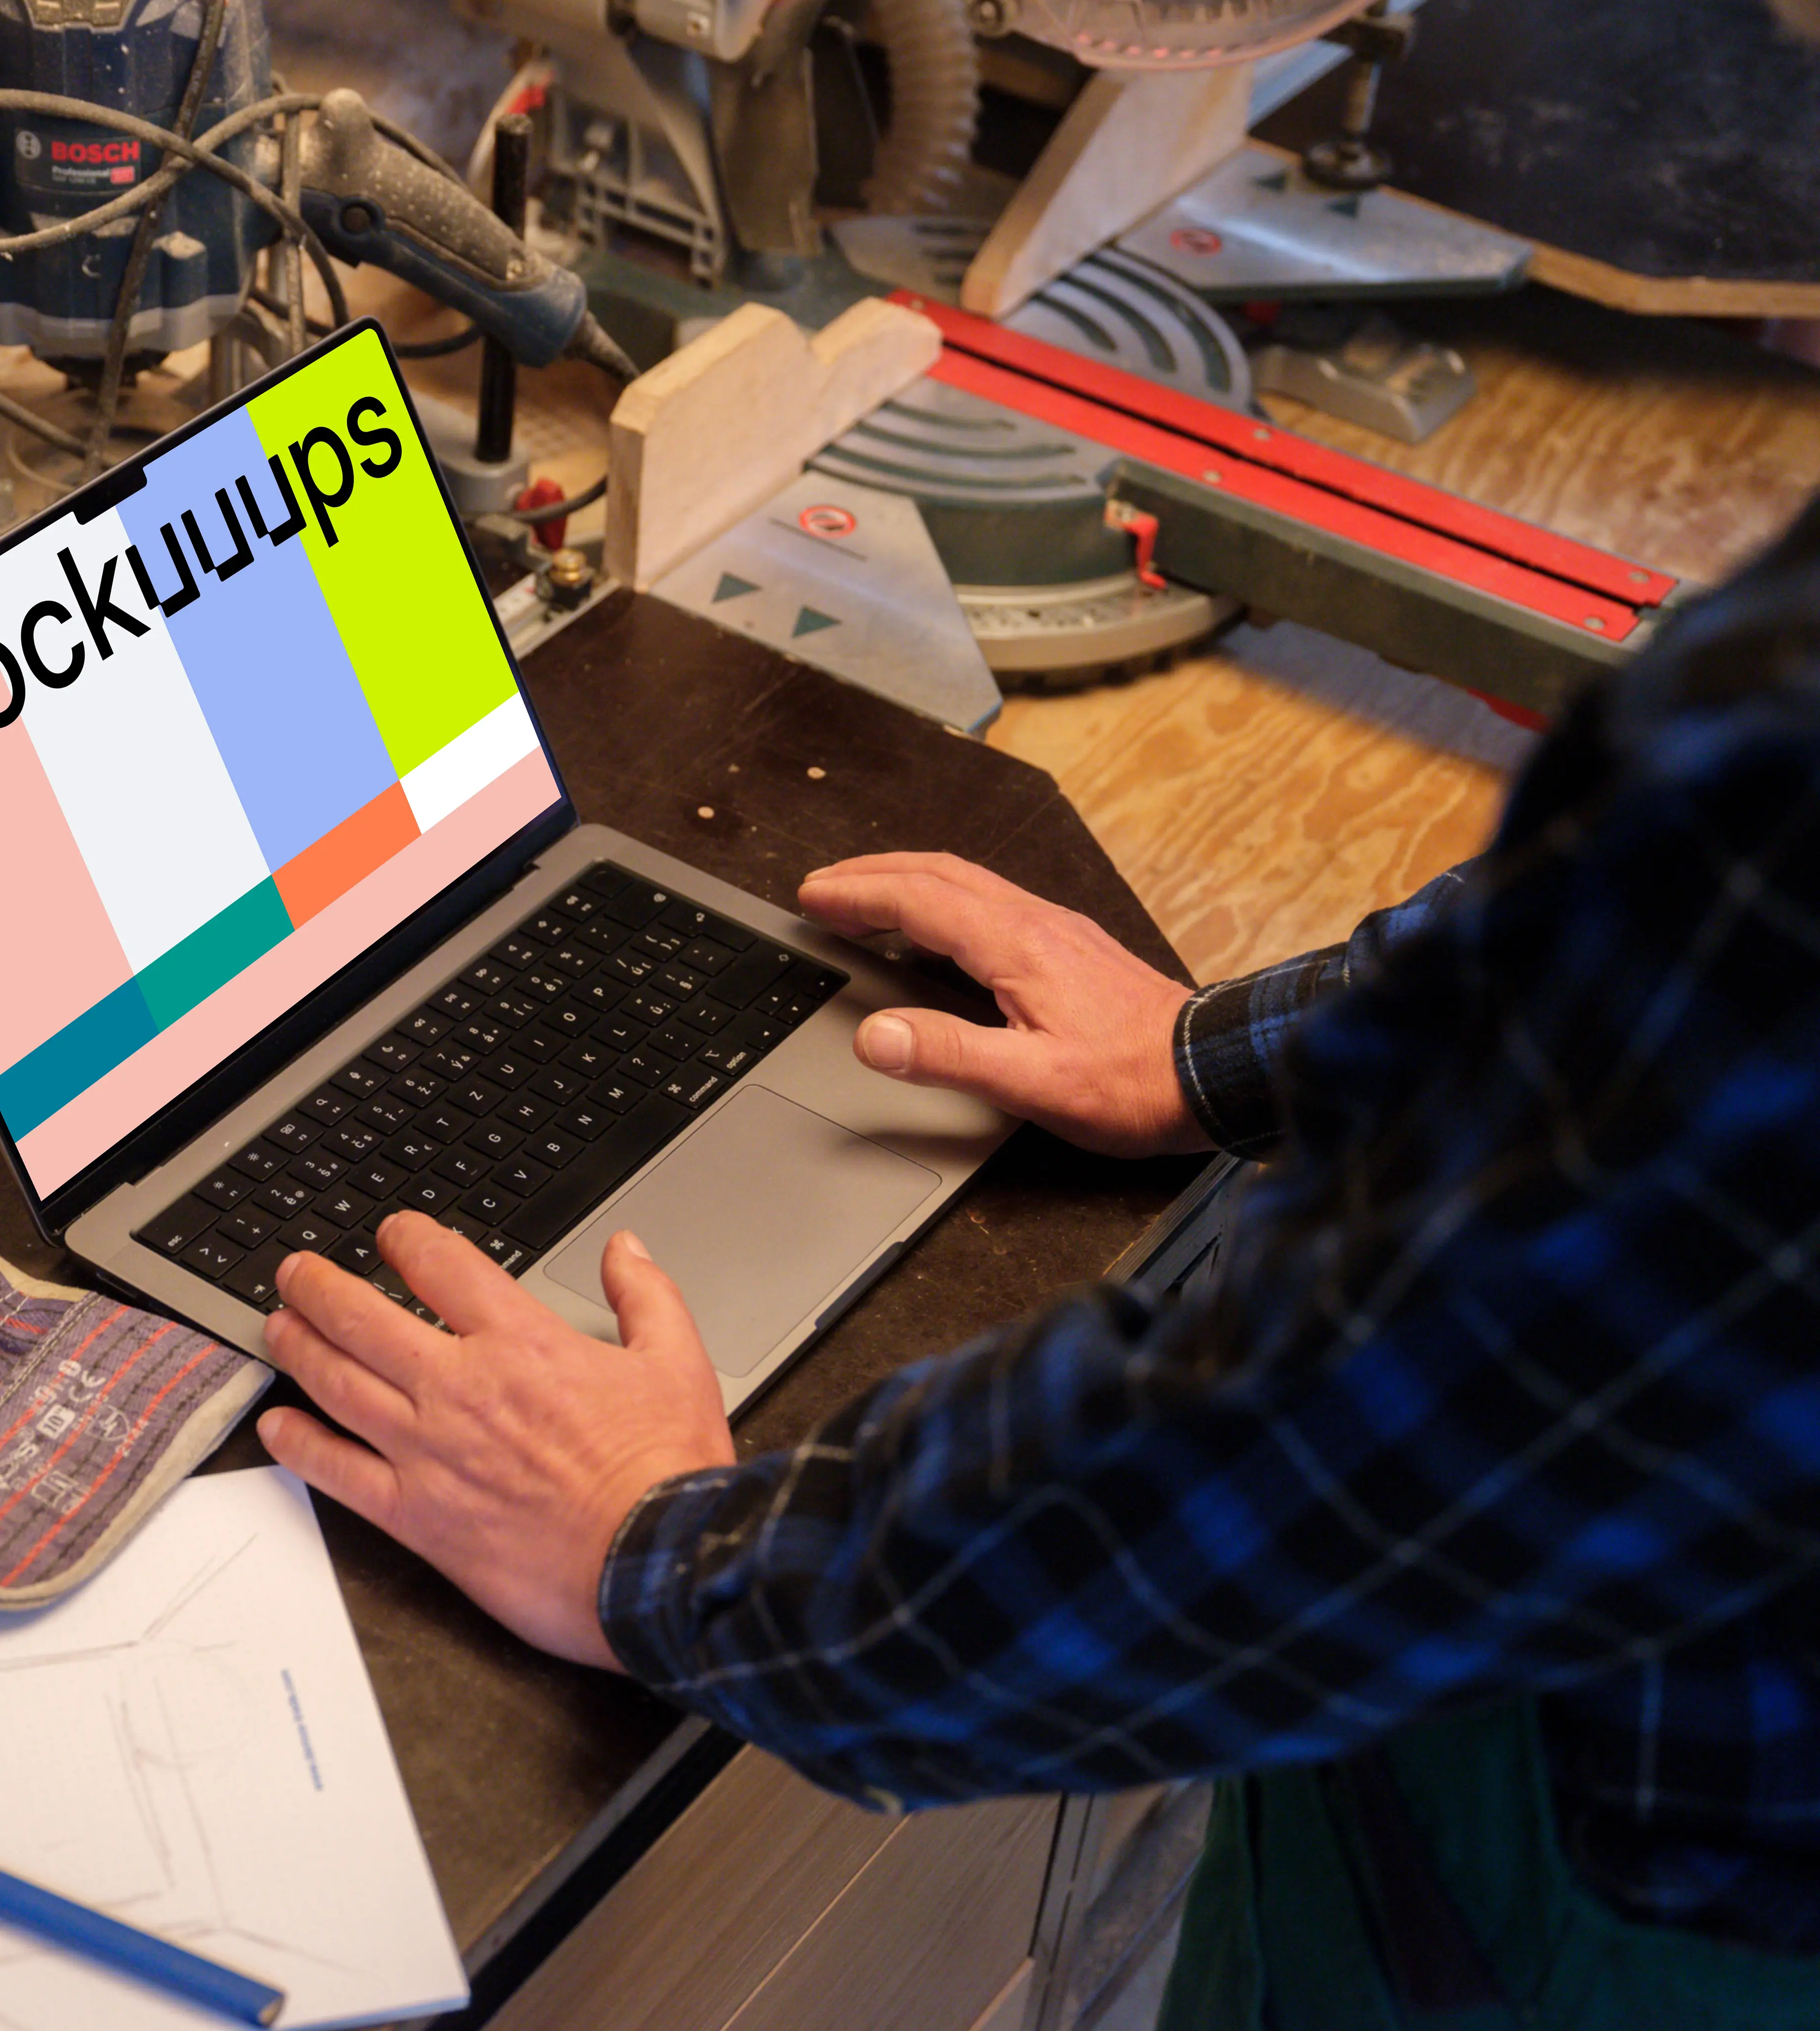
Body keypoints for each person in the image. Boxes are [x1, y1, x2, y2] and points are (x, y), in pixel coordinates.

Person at [256, 494, 1820, 2029]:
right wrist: (1217, 1050)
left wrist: (649, 1545)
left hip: (1641, 1909)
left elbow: (1296, 1472)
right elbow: (1630, 922)